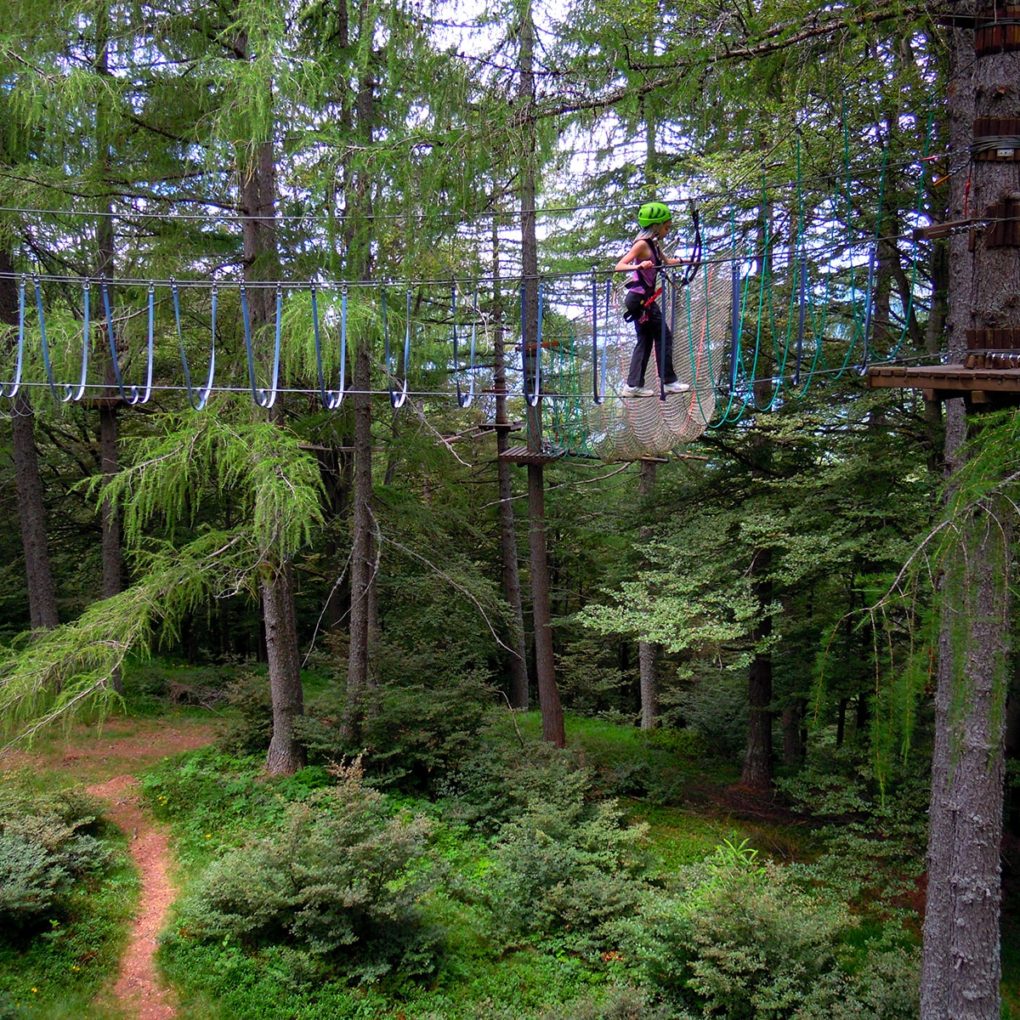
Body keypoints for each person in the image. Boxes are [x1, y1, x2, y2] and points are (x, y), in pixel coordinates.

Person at [614, 201, 691, 397]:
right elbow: (619, 265)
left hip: (644, 299)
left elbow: (667, 262)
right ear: (656, 225)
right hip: (639, 299)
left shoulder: (654, 245)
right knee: (663, 334)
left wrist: (687, 261)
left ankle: (633, 386)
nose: (667, 231)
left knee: (645, 339)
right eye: (666, 227)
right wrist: (638, 267)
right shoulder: (641, 245)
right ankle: (668, 381)